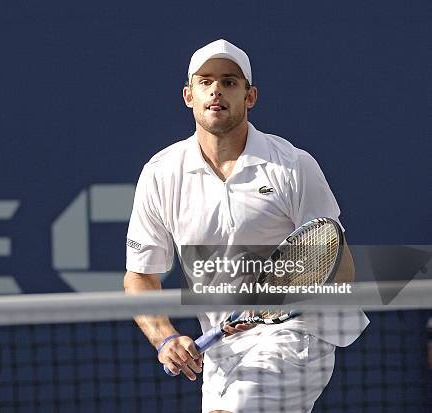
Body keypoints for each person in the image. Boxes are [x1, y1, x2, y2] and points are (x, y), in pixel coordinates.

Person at [124, 39, 369, 413]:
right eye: (205, 82)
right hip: (221, 350)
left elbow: (342, 266)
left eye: (229, 82)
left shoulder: (293, 165)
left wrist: (277, 304)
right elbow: (140, 278)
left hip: (298, 335)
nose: (216, 90)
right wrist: (166, 339)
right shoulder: (160, 174)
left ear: (249, 96)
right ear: (189, 96)